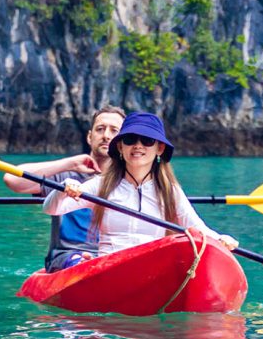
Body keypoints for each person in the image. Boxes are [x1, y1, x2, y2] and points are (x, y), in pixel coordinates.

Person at [43, 111, 238, 260]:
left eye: (147, 140)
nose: (138, 145)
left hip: (151, 267)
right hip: (108, 267)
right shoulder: (102, 185)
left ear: (159, 148)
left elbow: (197, 229)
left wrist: (221, 239)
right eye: (130, 140)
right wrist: (64, 189)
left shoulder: (170, 192)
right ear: (120, 147)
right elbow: (52, 208)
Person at [3, 106, 126, 271]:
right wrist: (70, 164)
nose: (106, 136)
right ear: (90, 137)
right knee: (78, 261)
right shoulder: (64, 176)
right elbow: (12, 180)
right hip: (68, 257)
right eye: (100, 129)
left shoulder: (128, 183)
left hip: (112, 256)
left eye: (114, 131)